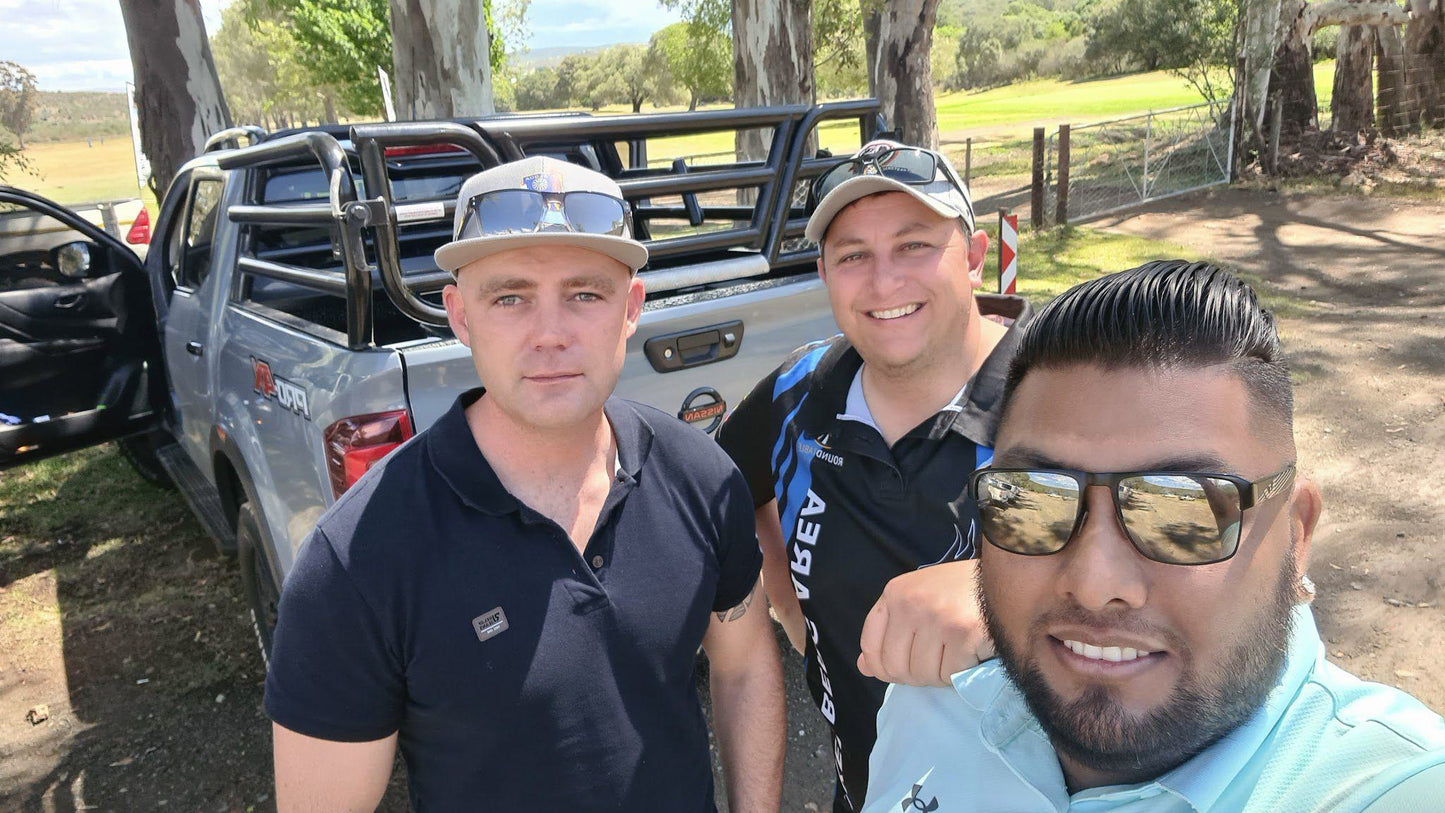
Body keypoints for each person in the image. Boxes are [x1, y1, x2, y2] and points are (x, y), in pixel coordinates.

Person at [264, 157, 785, 811]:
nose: (550, 334)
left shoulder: (699, 478)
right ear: (459, 314)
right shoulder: (358, 560)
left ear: (630, 307)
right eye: (509, 296)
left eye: (584, 293)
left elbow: (743, 666)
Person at [864, 260, 1445, 812]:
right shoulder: (931, 703)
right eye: (1034, 498)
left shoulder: (1396, 789)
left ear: (1296, 532)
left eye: (1183, 510)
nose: (1094, 584)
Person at [717, 139, 1032, 811]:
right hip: (865, 793)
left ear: (975, 256)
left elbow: (1168, 582)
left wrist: (1000, 595)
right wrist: (789, 607)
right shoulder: (800, 390)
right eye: (852, 254)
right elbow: (725, 490)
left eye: (914, 245)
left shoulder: (1062, 396)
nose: (883, 281)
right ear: (825, 274)